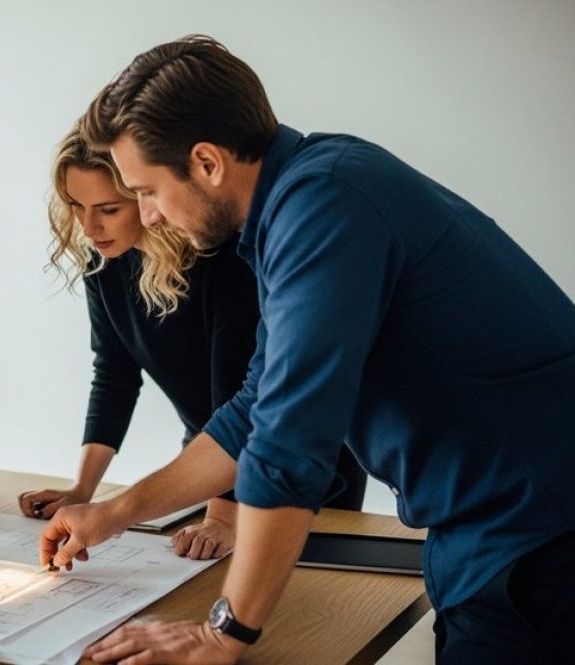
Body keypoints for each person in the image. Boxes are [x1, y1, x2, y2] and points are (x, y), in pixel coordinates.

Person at [40, 35, 575, 664]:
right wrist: (114, 512)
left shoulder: (324, 206)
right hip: (494, 539)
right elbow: (254, 411)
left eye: (147, 190)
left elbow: (289, 441)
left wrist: (223, 633)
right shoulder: (307, 195)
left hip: (538, 541)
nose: (148, 216)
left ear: (207, 162)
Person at [18, 129, 365, 560]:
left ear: (146, 199)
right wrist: (82, 489)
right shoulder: (103, 264)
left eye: (108, 209)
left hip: (290, 461)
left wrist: (220, 518)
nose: (89, 227)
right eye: (77, 207)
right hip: (209, 460)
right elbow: (114, 375)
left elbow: (242, 402)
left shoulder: (220, 257)